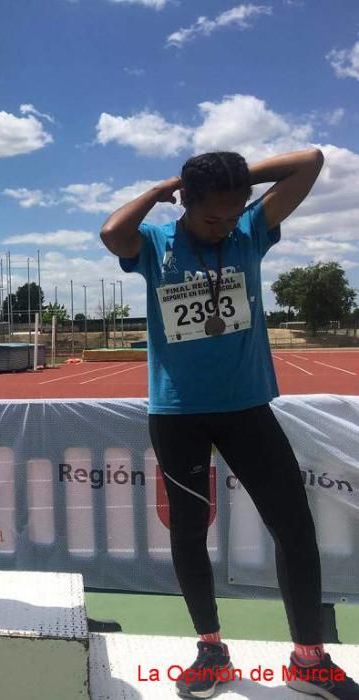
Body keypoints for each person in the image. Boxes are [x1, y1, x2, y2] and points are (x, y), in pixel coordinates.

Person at [100, 149, 358, 699]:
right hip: (178, 414)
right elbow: (111, 232)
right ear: (185, 203)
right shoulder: (156, 244)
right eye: (211, 217)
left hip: (247, 410)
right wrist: (162, 186)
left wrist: (240, 184)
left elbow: (309, 162)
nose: (222, 226)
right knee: (190, 532)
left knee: (293, 525)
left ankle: (309, 660)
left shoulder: (249, 231)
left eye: (233, 211)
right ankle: (211, 648)